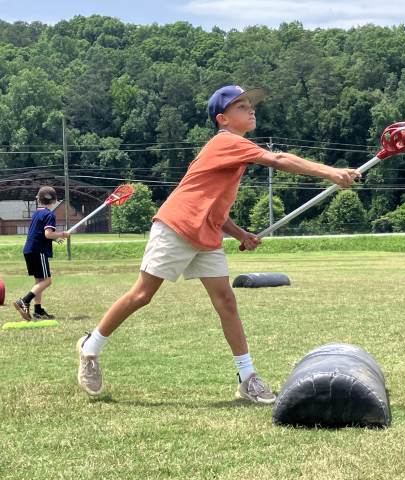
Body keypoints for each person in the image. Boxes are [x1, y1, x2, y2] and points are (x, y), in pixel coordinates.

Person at [77, 85, 360, 403]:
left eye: (251, 105)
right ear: (223, 119)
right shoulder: (227, 142)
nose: (251, 109)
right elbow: (278, 159)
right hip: (177, 226)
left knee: (226, 302)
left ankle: (247, 377)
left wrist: (239, 234)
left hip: (207, 233)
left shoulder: (236, 151)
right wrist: (329, 172)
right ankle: (91, 348)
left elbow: (214, 207)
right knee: (143, 295)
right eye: (242, 106)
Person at [14, 186, 69, 320]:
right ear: (55, 200)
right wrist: (63, 234)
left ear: (38, 199)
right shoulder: (49, 214)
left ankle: (38, 310)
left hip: (29, 250)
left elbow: (40, 234)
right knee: (47, 281)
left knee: (39, 280)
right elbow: (47, 234)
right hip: (38, 251)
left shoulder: (37, 213)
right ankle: (24, 301)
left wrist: (56, 238)